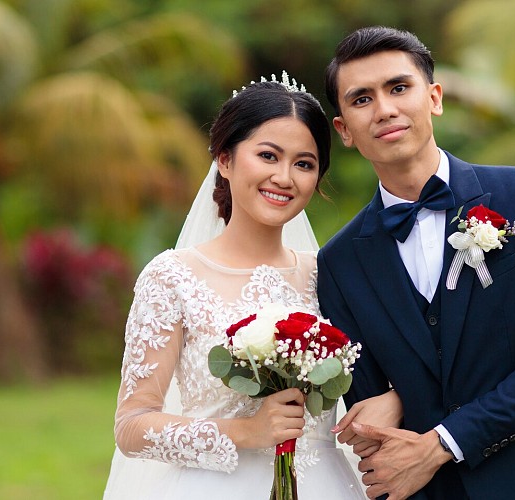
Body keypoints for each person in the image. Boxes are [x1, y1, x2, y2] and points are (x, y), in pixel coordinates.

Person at [319, 27, 515, 499]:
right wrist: (390, 403)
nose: (385, 109)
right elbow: (369, 418)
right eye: (362, 98)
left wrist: (439, 440)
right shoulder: (339, 263)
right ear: (344, 129)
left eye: (398, 88)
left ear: (434, 97)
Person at [104, 73, 391, 499]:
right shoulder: (173, 277)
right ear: (225, 159)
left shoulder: (330, 275)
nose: (284, 177)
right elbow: (132, 427)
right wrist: (246, 431)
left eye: (304, 163)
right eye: (268, 156)